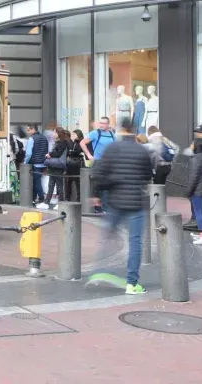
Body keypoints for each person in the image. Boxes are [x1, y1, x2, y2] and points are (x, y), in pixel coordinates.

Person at [91, 118, 153, 295]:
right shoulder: (141, 150)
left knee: (108, 234)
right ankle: (132, 283)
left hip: (115, 201)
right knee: (135, 242)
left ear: (120, 130)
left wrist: (98, 193)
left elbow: (99, 172)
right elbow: (148, 175)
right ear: (133, 130)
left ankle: (100, 271)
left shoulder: (112, 148)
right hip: (135, 201)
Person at [40, 127, 70, 209]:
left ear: (58, 133)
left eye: (54, 132)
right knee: (51, 184)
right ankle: (47, 202)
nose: (53, 134)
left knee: (59, 185)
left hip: (58, 166)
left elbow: (58, 153)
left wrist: (50, 154)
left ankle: (61, 202)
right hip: (54, 166)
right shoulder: (59, 142)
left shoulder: (63, 142)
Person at [24, 124, 48, 206]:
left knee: (37, 182)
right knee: (36, 181)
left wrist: (25, 162)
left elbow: (28, 153)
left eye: (28, 130)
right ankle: (33, 198)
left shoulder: (31, 139)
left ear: (33, 129)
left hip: (35, 163)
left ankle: (41, 198)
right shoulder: (44, 138)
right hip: (43, 163)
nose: (28, 132)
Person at [66, 129, 86, 202]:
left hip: (77, 164)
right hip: (71, 164)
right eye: (72, 134)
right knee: (69, 181)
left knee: (78, 182)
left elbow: (77, 152)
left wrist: (72, 152)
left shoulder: (82, 142)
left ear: (78, 135)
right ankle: (68, 197)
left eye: (74, 134)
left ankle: (79, 198)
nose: (73, 136)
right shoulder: (72, 142)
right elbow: (70, 151)